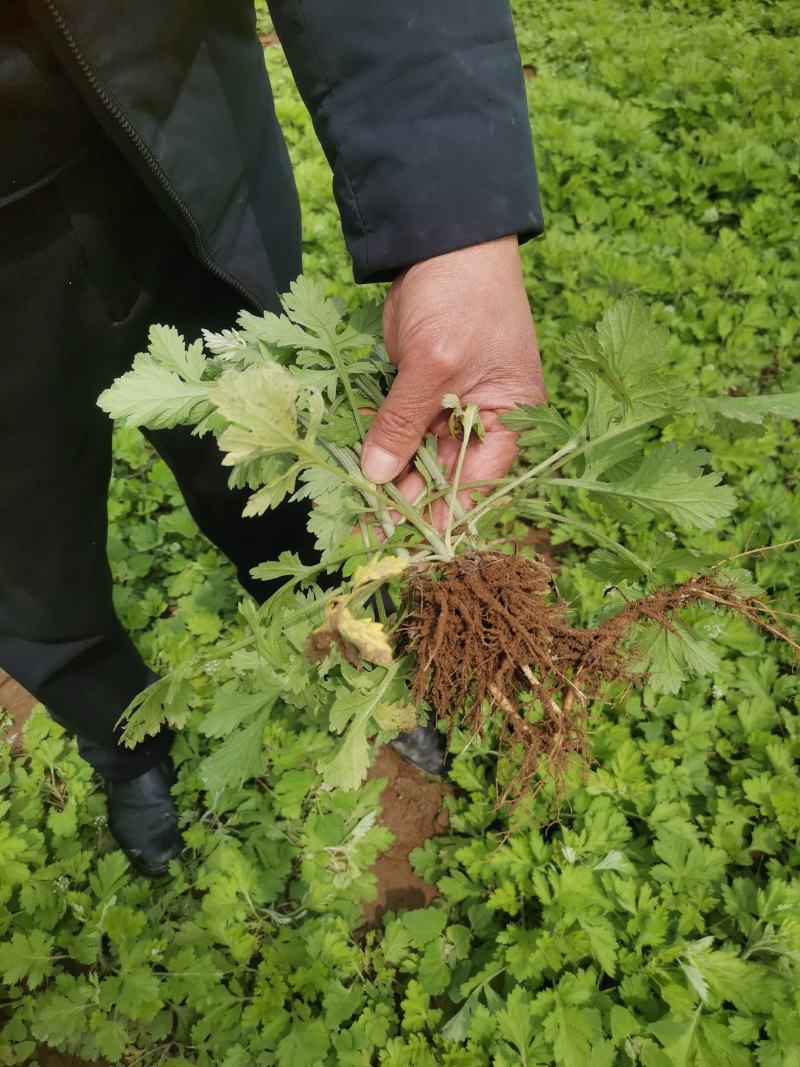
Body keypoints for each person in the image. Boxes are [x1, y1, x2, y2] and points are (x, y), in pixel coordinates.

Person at [0, 1, 546, 876]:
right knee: (25, 569)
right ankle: (125, 744)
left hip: (177, 141)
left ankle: (364, 645)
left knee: (289, 478)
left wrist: (453, 216)